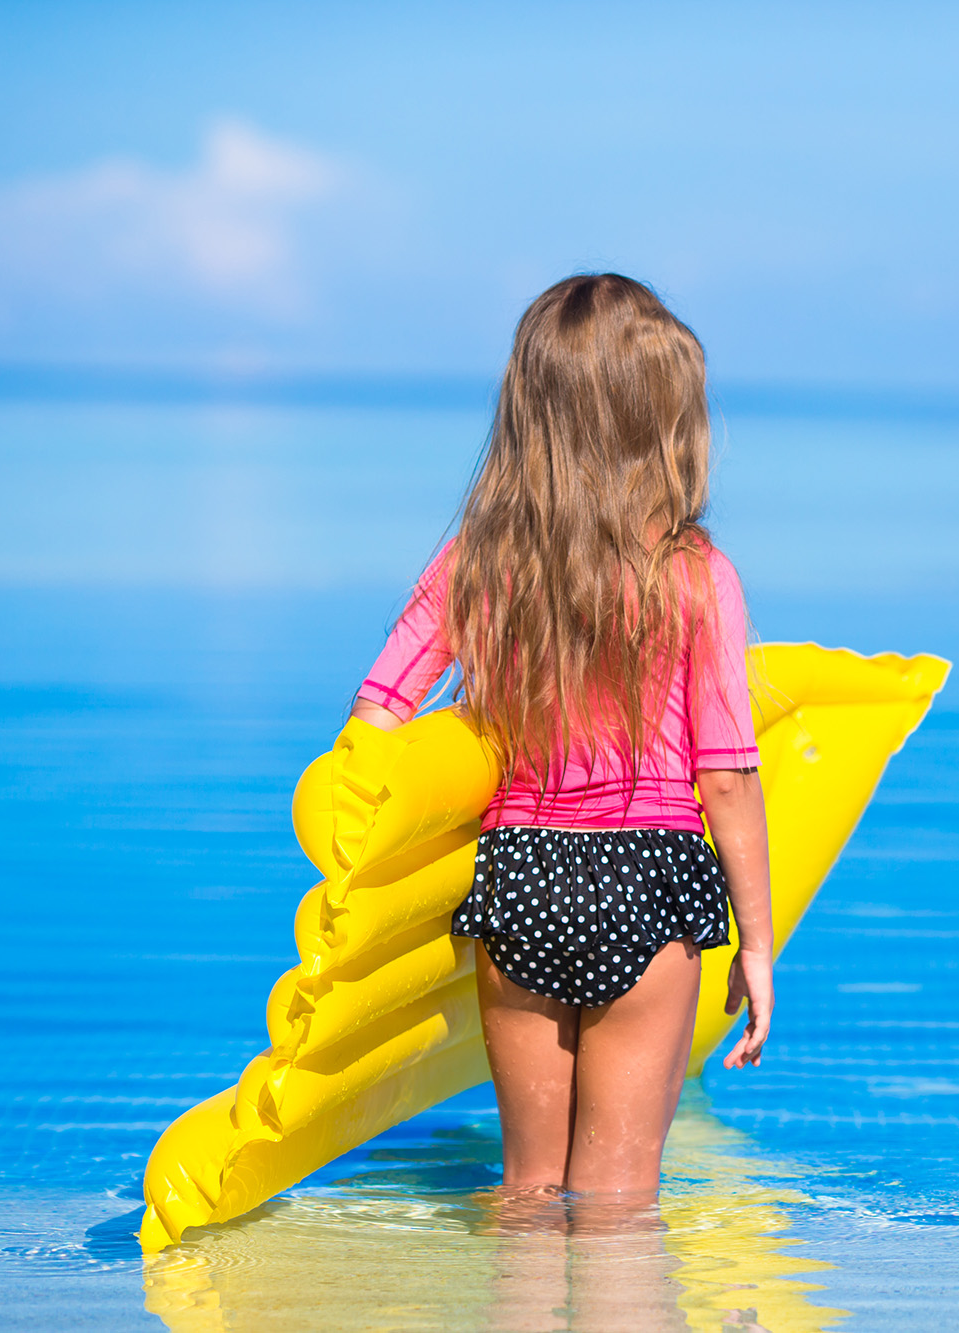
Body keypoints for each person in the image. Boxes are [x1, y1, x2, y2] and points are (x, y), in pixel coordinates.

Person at [346, 273, 773, 1204]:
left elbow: (379, 711)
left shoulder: (478, 563)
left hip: (522, 877)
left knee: (530, 1191)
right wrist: (758, 944)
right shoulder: (697, 576)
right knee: (618, 1202)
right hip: (648, 880)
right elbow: (729, 777)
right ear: (668, 422)